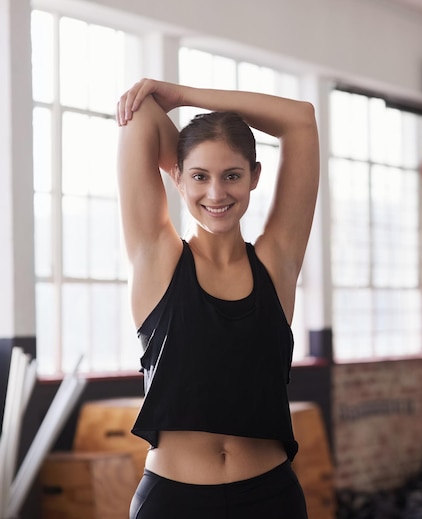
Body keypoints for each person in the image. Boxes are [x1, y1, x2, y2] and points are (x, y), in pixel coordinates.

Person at [116, 78, 319, 518]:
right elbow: (144, 113)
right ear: (176, 176)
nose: (216, 193)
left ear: (254, 177)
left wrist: (186, 97)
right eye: (200, 177)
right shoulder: (157, 258)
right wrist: (192, 155)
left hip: (272, 500)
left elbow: (300, 120)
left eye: (232, 176)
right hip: (174, 503)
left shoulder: (276, 262)